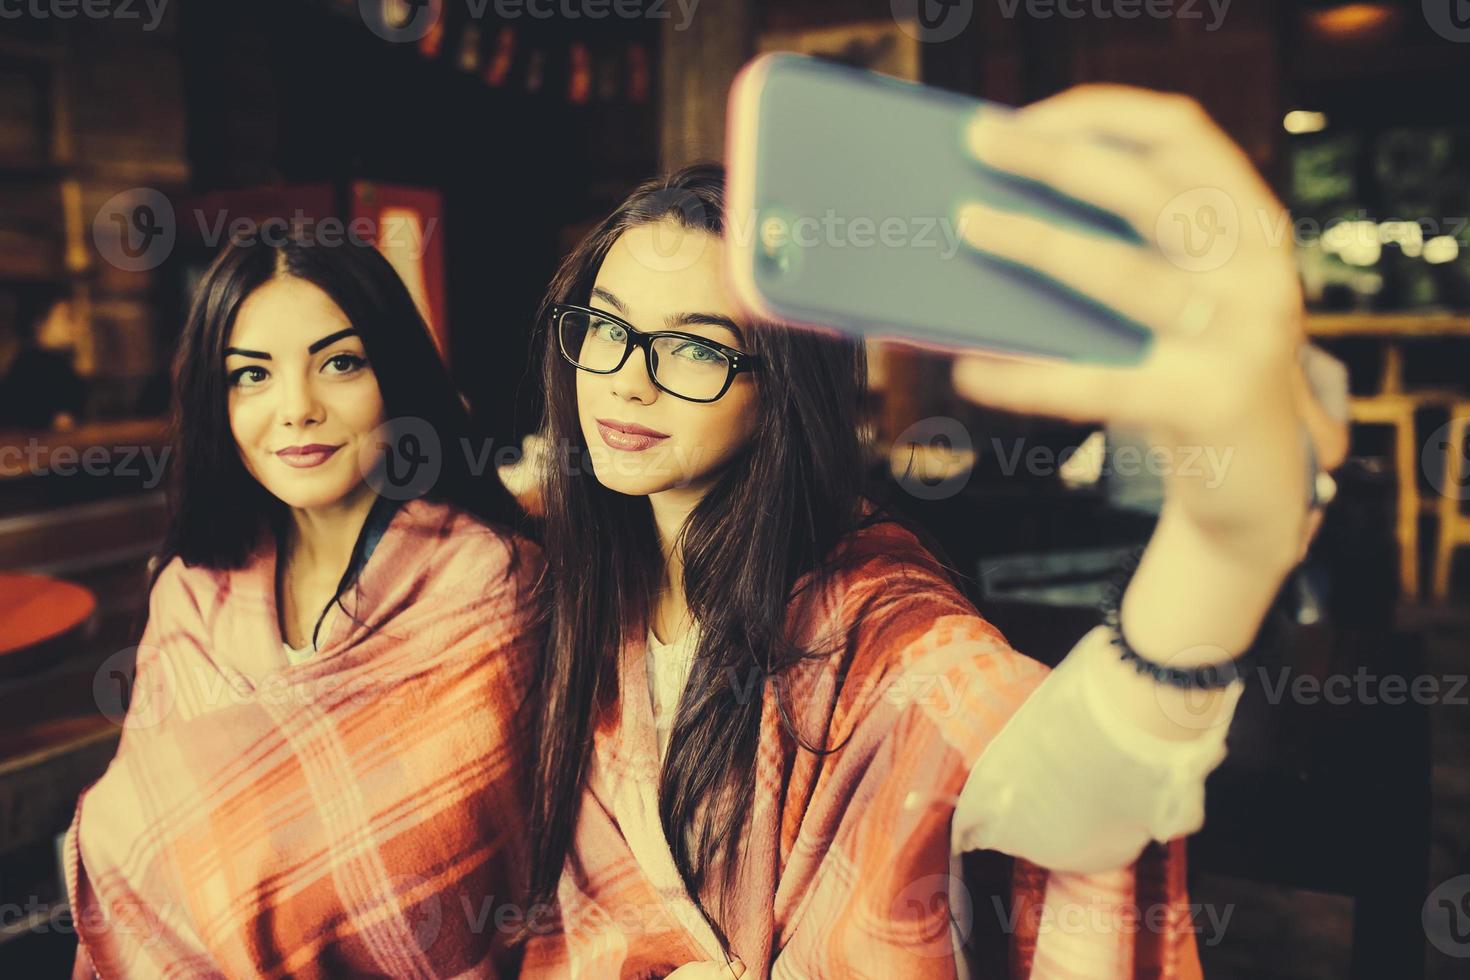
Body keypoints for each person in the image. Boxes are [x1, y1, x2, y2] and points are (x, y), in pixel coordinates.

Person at [517, 84, 1324, 980]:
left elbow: (1066, 796)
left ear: (783, 387)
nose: (628, 380)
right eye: (604, 327)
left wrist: (1228, 553)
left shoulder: (875, 628)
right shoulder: (565, 569)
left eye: (697, 346)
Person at [64, 234, 544, 978]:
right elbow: (143, 865)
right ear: (214, 401)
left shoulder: (487, 581)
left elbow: (464, 863)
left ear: (396, 375)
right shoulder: (194, 589)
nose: (296, 410)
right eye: (251, 375)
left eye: (341, 363)